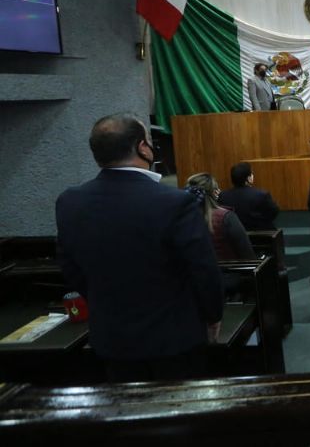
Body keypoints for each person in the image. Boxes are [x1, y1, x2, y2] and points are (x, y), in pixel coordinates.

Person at [56, 114, 223, 382]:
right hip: (175, 339)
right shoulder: (175, 202)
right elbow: (203, 269)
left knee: (127, 414)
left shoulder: (69, 202)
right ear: (142, 147)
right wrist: (213, 316)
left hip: (111, 339)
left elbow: (70, 268)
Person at [185, 173, 257, 261]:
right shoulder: (226, 217)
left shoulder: (180, 219)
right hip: (227, 272)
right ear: (215, 192)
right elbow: (247, 254)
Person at [218, 162, 279, 231]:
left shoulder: (223, 196)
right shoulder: (262, 194)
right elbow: (274, 212)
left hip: (234, 234)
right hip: (260, 234)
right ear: (249, 178)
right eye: (252, 174)